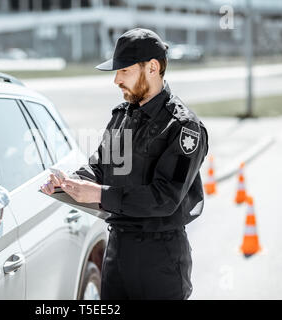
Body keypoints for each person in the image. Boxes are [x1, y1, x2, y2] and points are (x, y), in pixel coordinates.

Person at [41, 28, 208, 300]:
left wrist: (98, 194)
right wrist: (70, 182)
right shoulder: (123, 116)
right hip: (117, 248)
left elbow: (165, 198)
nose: (116, 80)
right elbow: (100, 166)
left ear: (152, 68)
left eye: (124, 71)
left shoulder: (183, 127)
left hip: (159, 259)